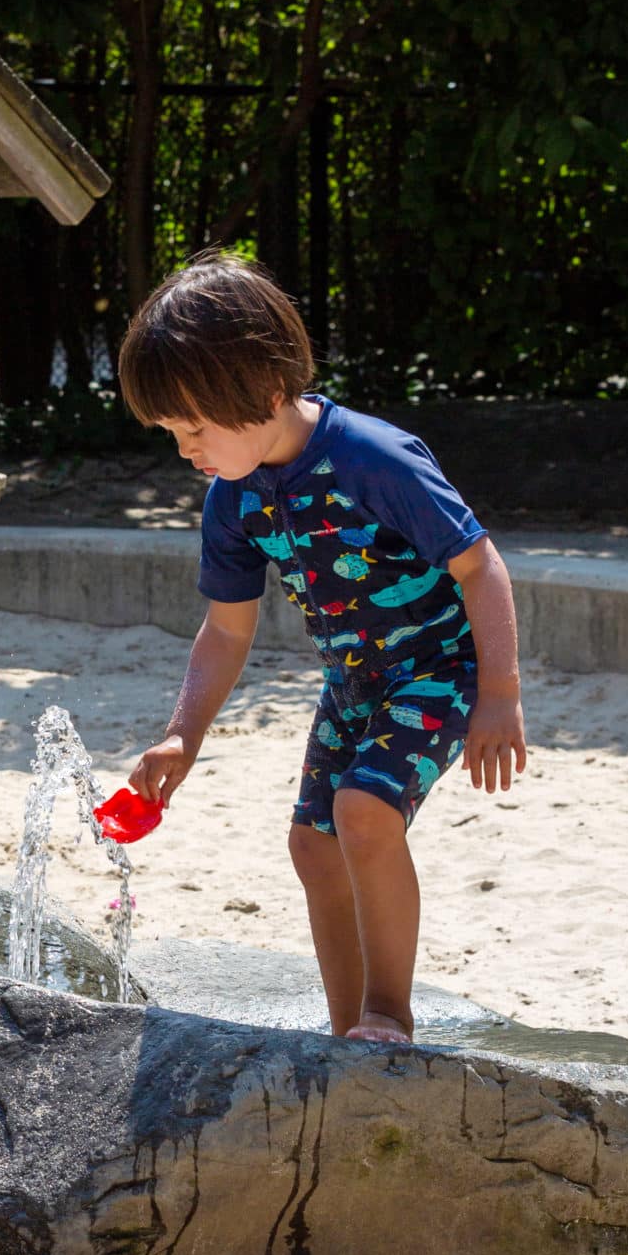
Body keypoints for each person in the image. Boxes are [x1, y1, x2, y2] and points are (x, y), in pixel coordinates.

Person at [123, 256, 527, 1043]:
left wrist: (501, 694)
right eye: (171, 431)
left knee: (363, 811)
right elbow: (227, 628)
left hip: (441, 671)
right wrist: (184, 734)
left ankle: (389, 1016)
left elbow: (481, 565)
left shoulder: (373, 459)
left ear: (266, 391)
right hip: (353, 684)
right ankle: (351, 1033)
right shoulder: (232, 497)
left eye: (194, 427)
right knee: (313, 845)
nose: (184, 448)